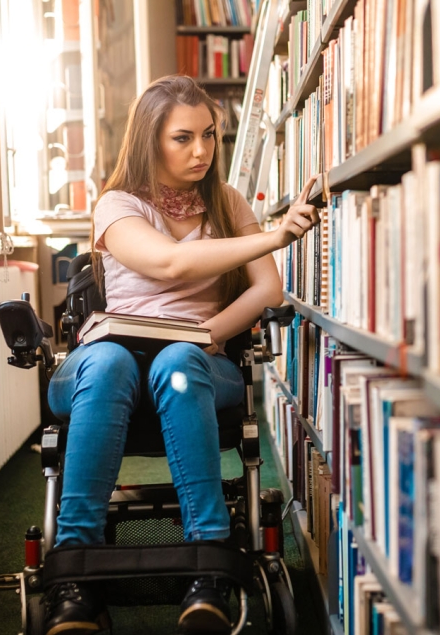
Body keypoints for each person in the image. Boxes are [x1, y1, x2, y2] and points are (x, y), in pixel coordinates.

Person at [41, 75, 319, 635]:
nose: (201, 151)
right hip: (106, 366)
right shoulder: (117, 205)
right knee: (112, 361)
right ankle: (76, 576)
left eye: (210, 136)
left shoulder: (227, 203)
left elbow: (265, 290)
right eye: (183, 138)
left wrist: (210, 333)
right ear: (151, 141)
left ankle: (208, 567)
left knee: (176, 363)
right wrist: (273, 236)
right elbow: (168, 264)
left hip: (195, 364)